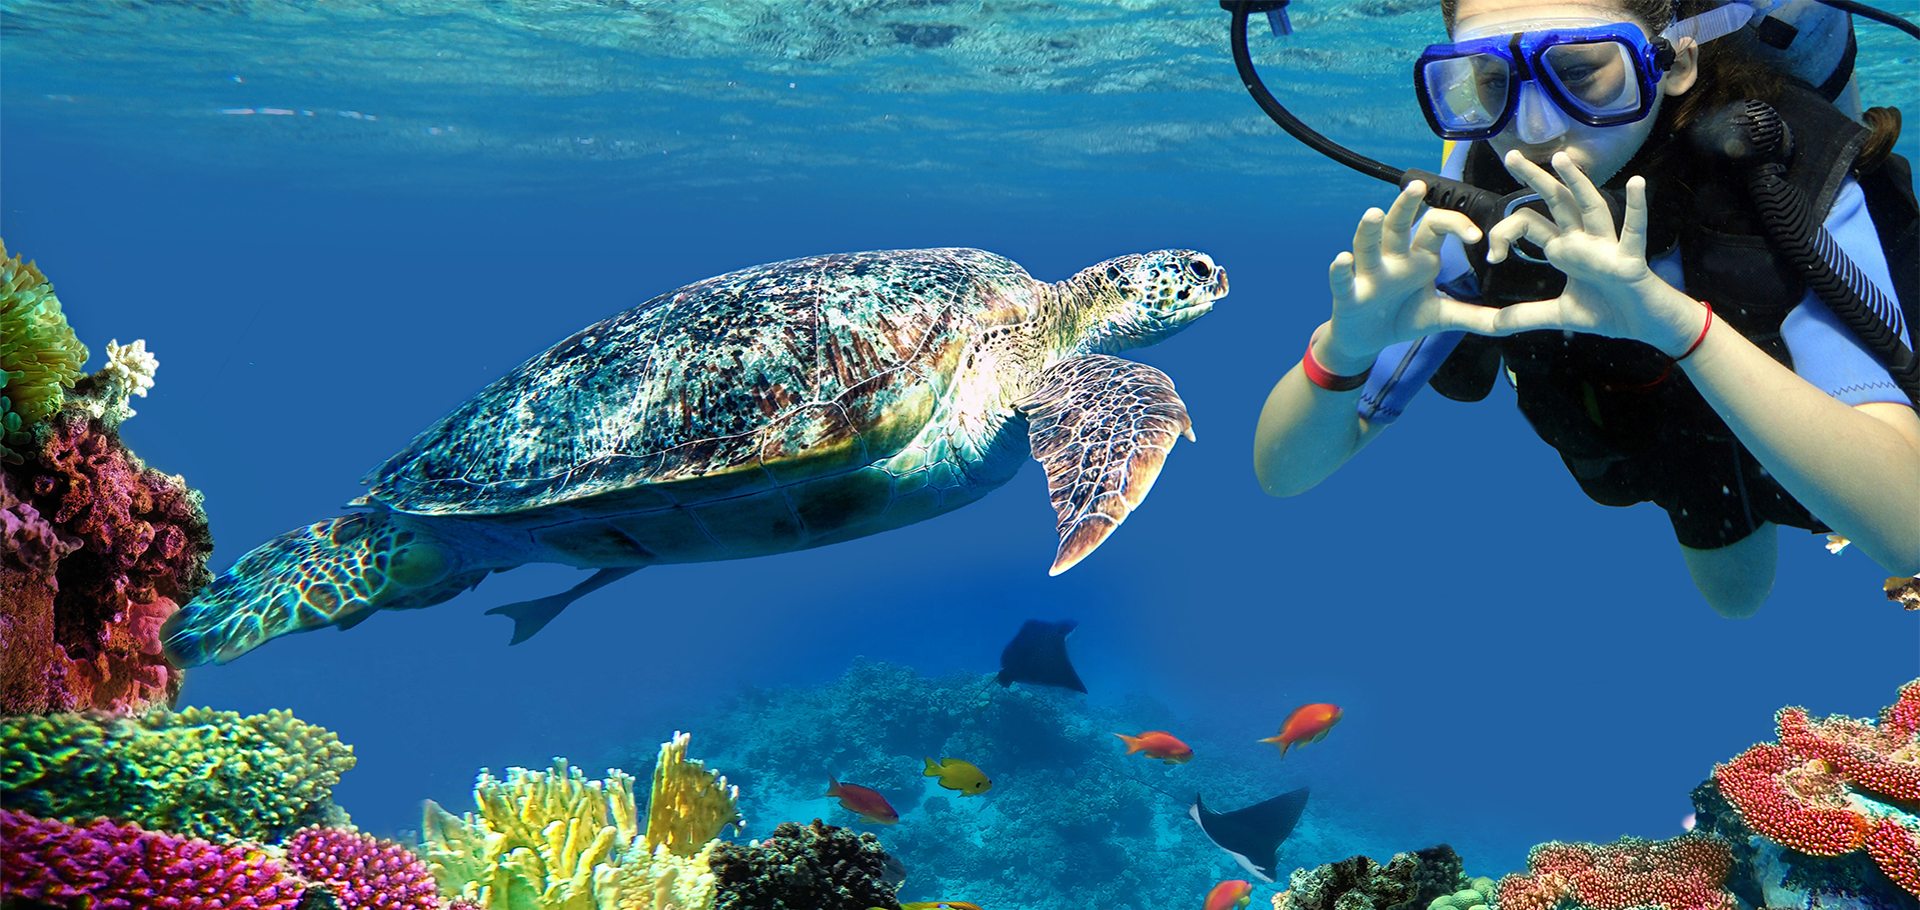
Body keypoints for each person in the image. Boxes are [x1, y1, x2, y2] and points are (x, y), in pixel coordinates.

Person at [1251, 0, 1920, 617]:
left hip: (1792, 402)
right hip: (1660, 436)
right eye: (1490, 82)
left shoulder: (1790, 173)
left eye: (1580, 71)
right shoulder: (1472, 203)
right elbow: (1282, 473)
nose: (1535, 130)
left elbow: (1910, 531)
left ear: (1675, 59)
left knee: (1747, 588)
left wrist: (1674, 323)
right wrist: (1346, 345)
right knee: (1735, 597)